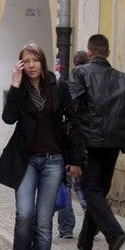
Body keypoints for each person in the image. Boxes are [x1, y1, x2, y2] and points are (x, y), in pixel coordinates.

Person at [0, 42, 84, 250]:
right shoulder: (19, 90)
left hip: (53, 161)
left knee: (43, 224)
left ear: (43, 62)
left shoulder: (58, 86)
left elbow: (74, 123)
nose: (31, 65)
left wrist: (76, 160)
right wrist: (15, 85)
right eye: (26, 61)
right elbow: (8, 118)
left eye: (35, 60)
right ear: (21, 64)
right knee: (24, 216)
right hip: (26, 161)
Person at [69, 34, 125, 250]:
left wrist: (66, 139)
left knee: (90, 188)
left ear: (89, 52)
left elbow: (71, 106)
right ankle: (85, 241)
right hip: (116, 141)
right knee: (99, 189)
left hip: (92, 140)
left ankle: (114, 233)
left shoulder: (80, 73)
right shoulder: (123, 78)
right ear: (108, 52)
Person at [56, 50, 89, 238]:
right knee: (83, 185)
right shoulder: (94, 86)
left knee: (66, 184)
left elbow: (66, 115)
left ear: (74, 64)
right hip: (90, 140)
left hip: (69, 139)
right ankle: (93, 221)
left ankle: (66, 228)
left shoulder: (68, 85)